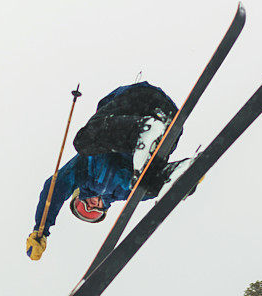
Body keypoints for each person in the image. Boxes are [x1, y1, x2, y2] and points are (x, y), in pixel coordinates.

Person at [26, 81, 194, 261]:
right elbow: (153, 191)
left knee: (83, 142)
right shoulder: (126, 192)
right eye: (93, 213)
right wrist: (182, 184)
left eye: (82, 206)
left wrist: (41, 228)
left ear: (76, 194)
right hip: (167, 121)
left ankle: (141, 131)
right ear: (104, 209)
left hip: (132, 103)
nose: (90, 206)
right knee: (146, 184)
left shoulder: (82, 173)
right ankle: (174, 172)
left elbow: (55, 188)